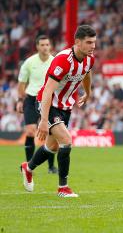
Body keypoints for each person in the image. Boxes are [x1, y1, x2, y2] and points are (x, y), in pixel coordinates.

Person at [19, 25, 96, 197]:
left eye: (94, 42)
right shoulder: (63, 60)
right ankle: (63, 188)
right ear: (77, 42)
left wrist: (88, 92)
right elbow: (47, 91)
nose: (93, 46)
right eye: (89, 42)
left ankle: (28, 167)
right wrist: (44, 120)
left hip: (65, 106)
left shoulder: (90, 59)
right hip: (49, 103)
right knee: (66, 140)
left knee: (52, 147)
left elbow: (87, 74)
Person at [16, 35, 57, 174]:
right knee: (30, 131)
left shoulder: (55, 61)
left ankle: (51, 167)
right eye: (43, 45)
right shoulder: (29, 62)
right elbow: (21, 84)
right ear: (37, 47)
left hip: (48, 99)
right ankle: (29, 167)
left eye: (47, 44)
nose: (45, 47)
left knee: (51, 132)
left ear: (50, 46)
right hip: (31, 98)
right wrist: (20, 101)